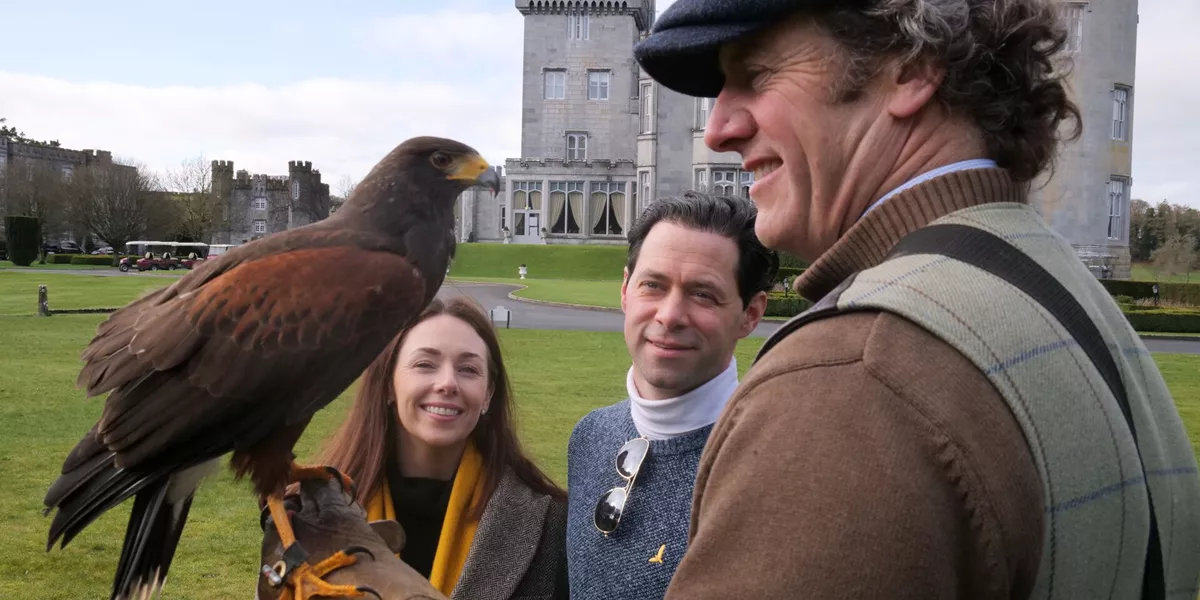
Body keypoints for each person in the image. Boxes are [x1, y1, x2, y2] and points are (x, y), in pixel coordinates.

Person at [632, 1, 1200, 598]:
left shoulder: (852, 375)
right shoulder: (1073, 300)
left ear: (908, 68)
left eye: (757, 74)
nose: (719, 129)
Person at [564, 192, 777, 598]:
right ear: (626, 290)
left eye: (703, 294)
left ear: (750, 313)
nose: (669, 315)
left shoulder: (772, 470)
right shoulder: (589, 435)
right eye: (653, 285)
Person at [313, 296, 569, 599]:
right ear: (387, 385)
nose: (447, 383)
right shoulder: (311, 514)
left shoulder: (548, 523)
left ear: (488, 395)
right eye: (425, 364)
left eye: (469, 369)